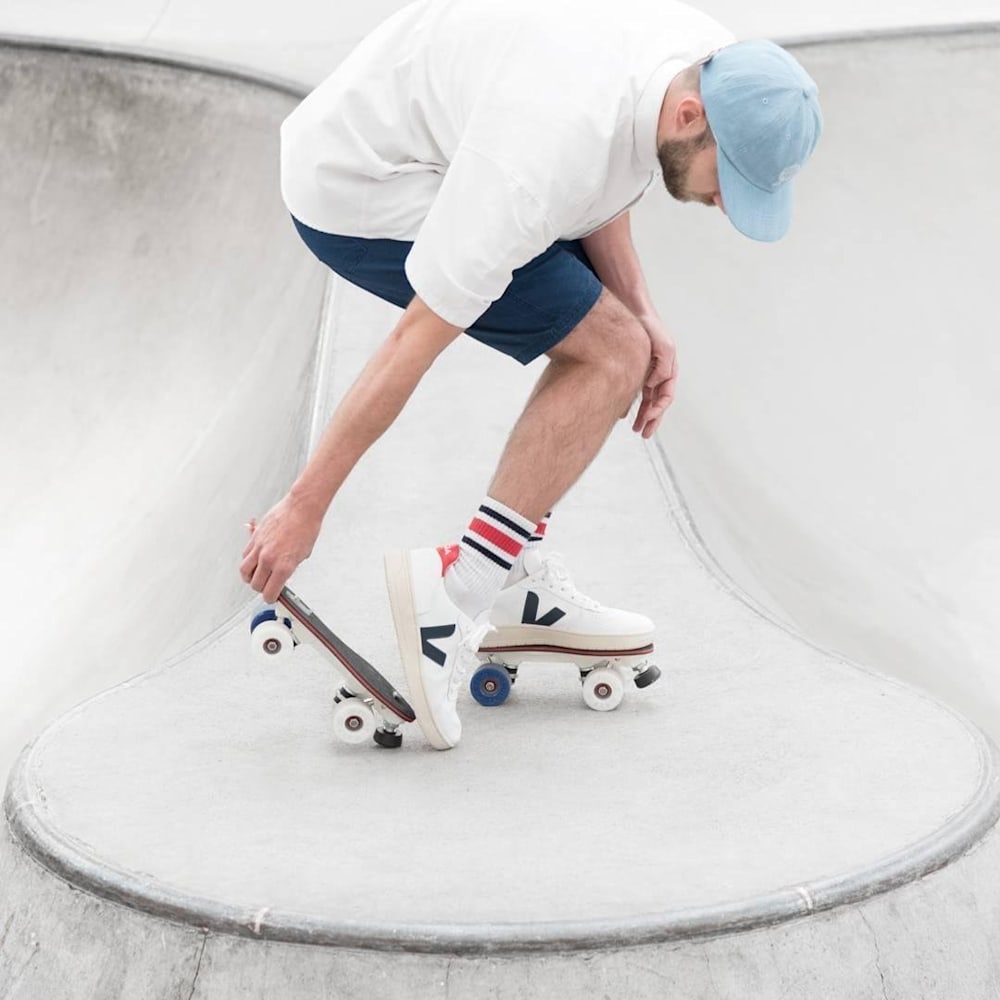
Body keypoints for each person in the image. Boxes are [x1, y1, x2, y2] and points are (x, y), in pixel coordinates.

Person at [240, 0, 823, 749]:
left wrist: (646, 312)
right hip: (362, 184)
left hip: (461, 127)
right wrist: (303, 506)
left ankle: (506, 579)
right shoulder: (537, 154)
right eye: (728, 180)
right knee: (609, 354)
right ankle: (453, 601)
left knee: (625, 339)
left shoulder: (697, 59)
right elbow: (410, 344)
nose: (722, 202)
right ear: (688, 114)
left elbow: (603, 176)